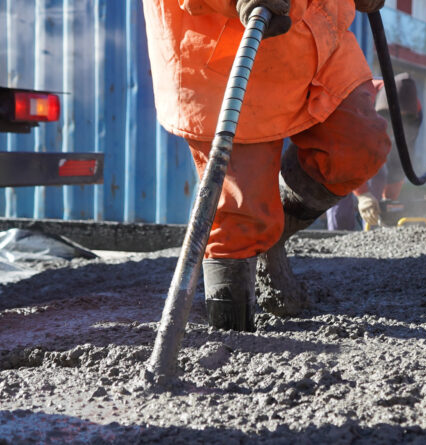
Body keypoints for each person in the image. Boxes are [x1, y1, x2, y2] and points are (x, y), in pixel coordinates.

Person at [142, 0, 390, 330]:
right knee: (240, 218)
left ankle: (270, 235)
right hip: (230, 44)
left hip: (318, 28)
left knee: (357, 146)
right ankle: (231, 336)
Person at [327, 73, 423, 230]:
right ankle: (339, 236)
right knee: (340, 193)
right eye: (391, 116)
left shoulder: (415, 111)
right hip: (338, 141)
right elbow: (346, 153)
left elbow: (403, 156)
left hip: (368, 138)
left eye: (402, 118)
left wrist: (389, 202)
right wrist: (363, 195)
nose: (395, 124)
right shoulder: (357, 100)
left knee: (379, 175)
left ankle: (372, 231)